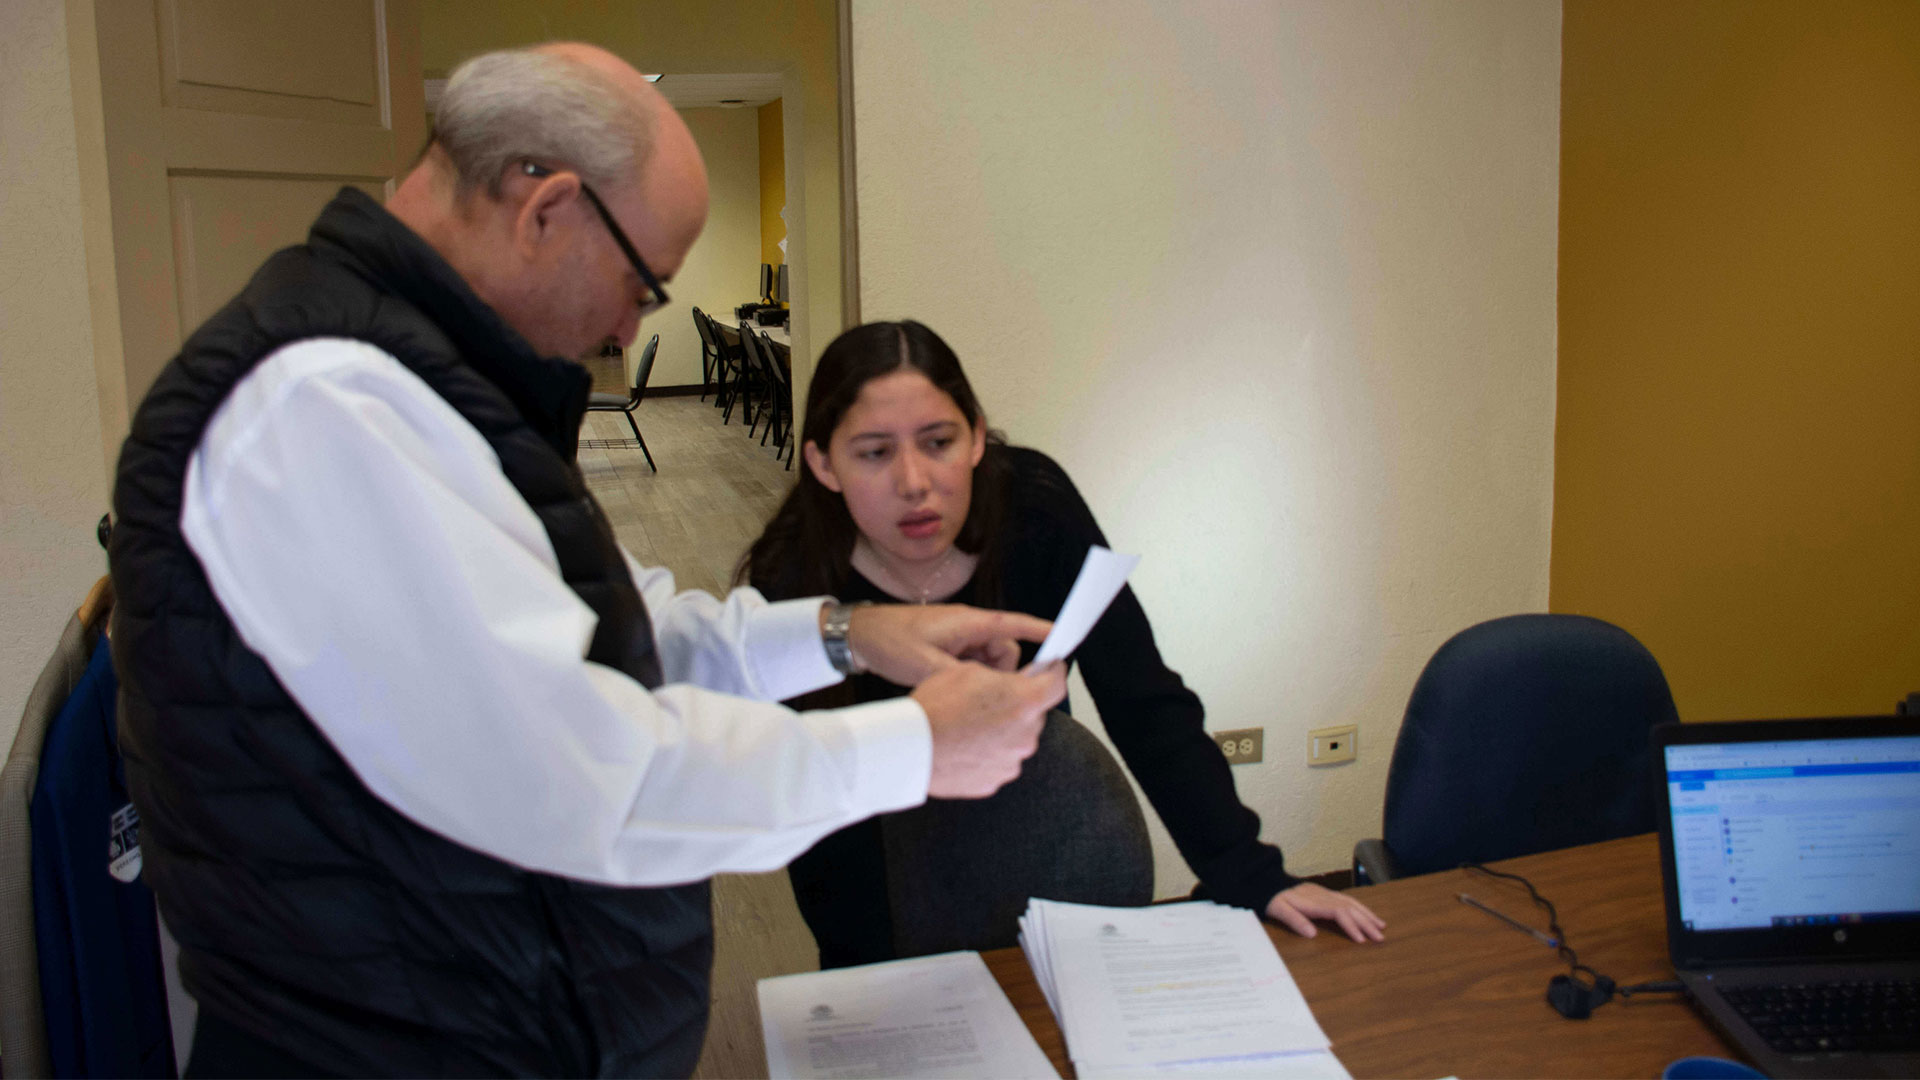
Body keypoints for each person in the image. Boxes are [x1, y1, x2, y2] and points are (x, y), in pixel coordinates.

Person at [108, 46, 1065, 1078]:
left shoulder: (430, 382)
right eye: (642, 284)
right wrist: (913, 749)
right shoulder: (329, 407)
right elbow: (586, 772)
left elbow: (611, 635)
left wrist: (845, 634)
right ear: (547, 209)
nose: (627, 324)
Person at [741, 321, 1387, 967]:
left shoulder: (1035, 512)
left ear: (974, 434)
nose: (914, 481)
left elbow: (1144, 700)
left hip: (1038, 812)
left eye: (939, 442)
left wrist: (1249, 872)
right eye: (874, 453)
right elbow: (807, 808)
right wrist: (864, 971)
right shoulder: (796, 586)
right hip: (869, 859)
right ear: (824, 462)